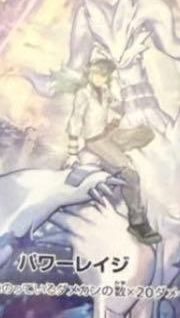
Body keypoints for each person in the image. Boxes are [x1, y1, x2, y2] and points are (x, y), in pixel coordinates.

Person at [65, 57, 160, 244]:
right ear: (90, 74)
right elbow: (75, 121)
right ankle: (137, 223)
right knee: (131, 176)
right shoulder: (83, 94)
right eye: (95, 74)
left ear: (107, 77)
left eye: (103, 75)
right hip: (94, 141)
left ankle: (114, 154)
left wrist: (114, 121)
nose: (98, 78)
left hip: (107, 135)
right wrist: (72, 153)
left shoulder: (105, 91)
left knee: (147, 132)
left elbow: (119, 108)